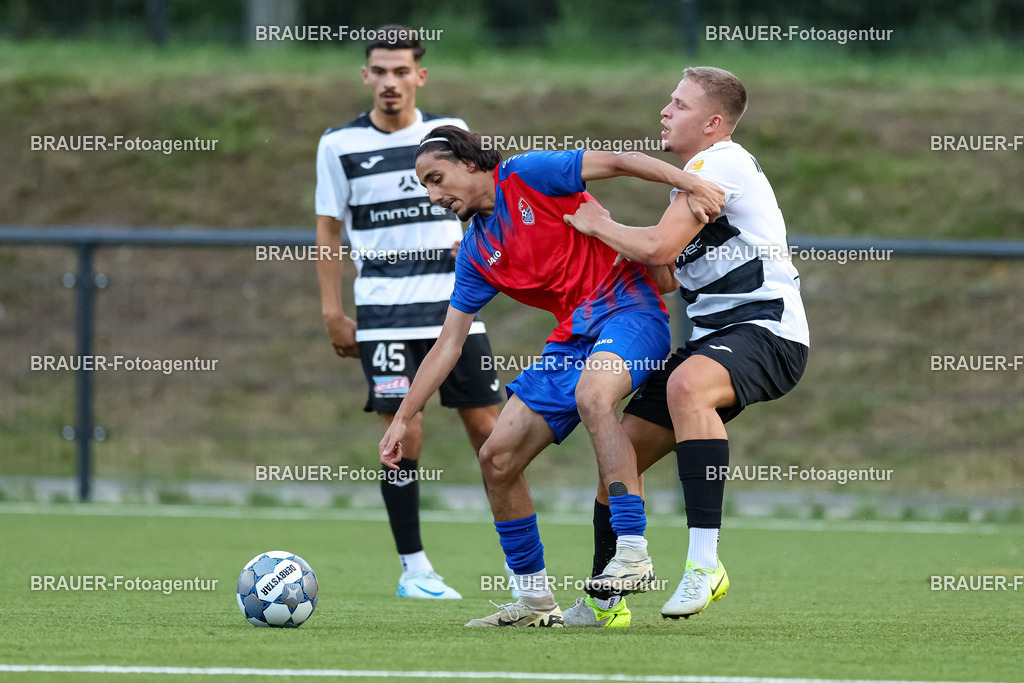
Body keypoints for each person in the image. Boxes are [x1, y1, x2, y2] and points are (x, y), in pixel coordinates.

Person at [379, 124, 725, 627]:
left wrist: (691, 184)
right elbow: (448, 344)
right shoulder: (476, 252)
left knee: (593, 396)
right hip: (572, 339)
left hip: (631, 313)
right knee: (496, 458)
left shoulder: (527, 174)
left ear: (469, 162)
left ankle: (632, 550)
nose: (433, 196)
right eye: (425, 188)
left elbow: (622, 158)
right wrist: (401, 419)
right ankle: (535, 601)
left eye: (437, 178)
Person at [562, 66, 809, 627]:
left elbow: (655, 247)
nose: (664, 112)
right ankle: (604, 600)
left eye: (678, 104)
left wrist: (596, 224)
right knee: (618, 455)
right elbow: (669, 273)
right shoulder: (690, 180)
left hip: (767, 329)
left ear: (713, 123)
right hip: (718, 337)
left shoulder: (718, 161)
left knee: (686, 384)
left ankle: (705, 565)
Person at [314, 26, 502, 600]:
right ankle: (414, 569)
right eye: (380, 71)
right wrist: (332, 310)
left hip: (456, 309)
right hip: (384, 314)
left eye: (402, 71)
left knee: (492, 434)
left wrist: (475, 240)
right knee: (405, 435)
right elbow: (327, 228)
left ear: (420, 76)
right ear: (365, 76)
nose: (390, 82)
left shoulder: (451, 135)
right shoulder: (337, 145)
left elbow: (488, 201)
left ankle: (522, 563)